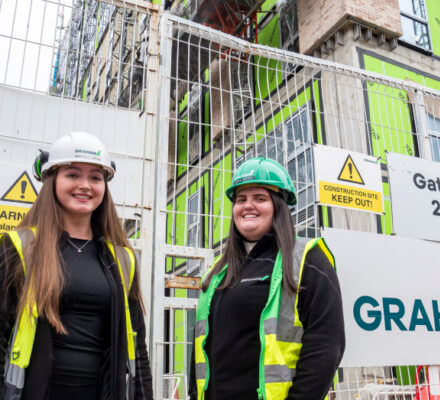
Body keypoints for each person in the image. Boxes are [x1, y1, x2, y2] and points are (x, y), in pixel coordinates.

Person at [0, 132, 153, 400]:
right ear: (52, 179)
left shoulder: (123, 258)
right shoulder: (20, 247)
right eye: (72, 174)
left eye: (95, 177)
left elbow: (137, 349)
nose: (85, 185)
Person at [189, 157, 345, 400]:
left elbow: (326, 346)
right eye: (241, 199)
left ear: (278, 206)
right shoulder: (217, 272)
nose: (247, 206)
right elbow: (200, 352)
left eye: (259, 198)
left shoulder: (308, 259)